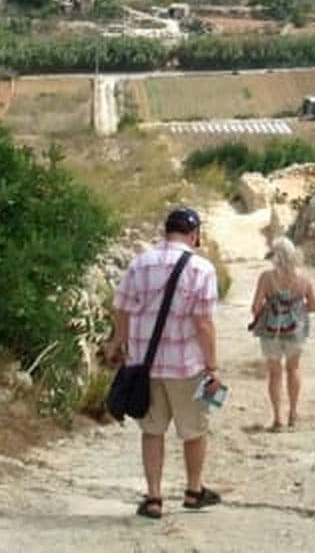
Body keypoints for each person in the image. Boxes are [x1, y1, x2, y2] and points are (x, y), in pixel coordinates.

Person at [106, 207, 222, 520]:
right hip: (186, 366)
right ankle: (194, 491)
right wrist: (213, 367)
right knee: (194, 430)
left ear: (165, 232)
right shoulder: (201, 269)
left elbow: (122, 309)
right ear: (194, 235)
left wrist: (117, 344)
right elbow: (203, 323)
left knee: (152, 431)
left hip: (144, 366)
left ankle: (154, 497)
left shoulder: (140, 263)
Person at [250, 237, 315, 432]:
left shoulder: (266, 277)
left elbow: (255, 307)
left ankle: (278, 419)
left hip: (271, 332)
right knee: (293, 369)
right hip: (295, 331)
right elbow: (314, 307)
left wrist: (269, 312)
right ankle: (293, 414)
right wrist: (296, 311)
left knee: (274, 373)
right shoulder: (304, 279)